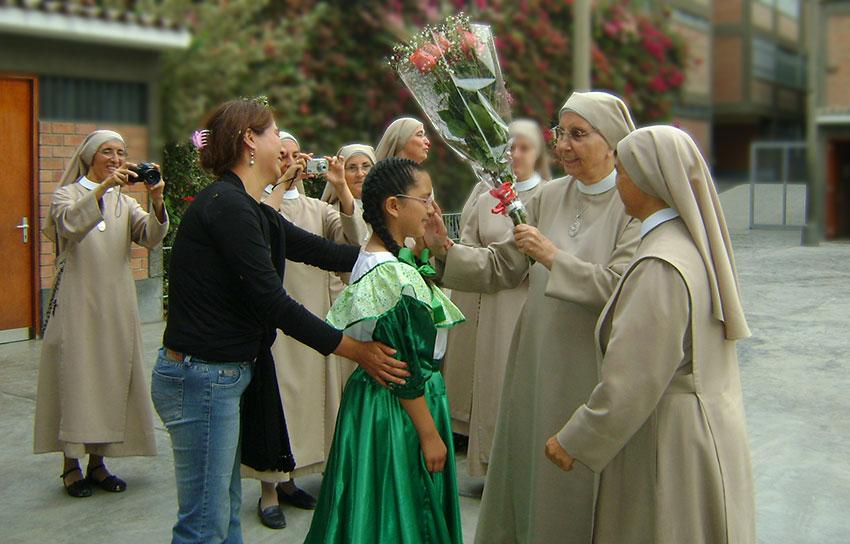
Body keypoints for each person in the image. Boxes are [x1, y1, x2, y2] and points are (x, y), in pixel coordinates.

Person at [152, 98, 409, 544]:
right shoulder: (228, 206)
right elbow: (275, 302)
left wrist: (401, 258)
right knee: (204, 525)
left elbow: (321, 250)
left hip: (218, 376)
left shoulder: (249, 208)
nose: (284, 146)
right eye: (274, 135)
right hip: (202, 377)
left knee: (222, 514)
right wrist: (356, 351)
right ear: (250, 139)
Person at [424, 91, 641, 543]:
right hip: (536, 360)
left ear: (614, 142)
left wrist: (553, 256)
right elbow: (503, 265)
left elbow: (622, 289)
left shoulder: (634, 203)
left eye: (578, 135)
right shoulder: (550, 195)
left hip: (588, 365)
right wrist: (445, 250)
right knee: (530, 475)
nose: (563, 146)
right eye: (561, 133)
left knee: (575, 484)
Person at [547, 125, 756, 543]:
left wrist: (576, 439)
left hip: (670, 444)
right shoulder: (687, 243)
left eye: (622, 172)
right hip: (703, 433)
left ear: (647, 181)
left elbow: (634, 379)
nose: (617, 182)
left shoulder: (660, 263)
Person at [305, 158, 466, 544]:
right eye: (425, 199)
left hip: (374, 403)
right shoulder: (392, 274)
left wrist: (428, 249)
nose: (432, 208)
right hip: (401, 410)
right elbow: (403, 364)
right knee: (404, 509)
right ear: (394, 206)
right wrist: (429, 433)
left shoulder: (379, 257)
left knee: (370, 506)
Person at [34, 129, 168, 498]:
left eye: (120, 152)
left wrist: (156, 200)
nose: (114, 157)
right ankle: (70, 466)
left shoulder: (125, 203)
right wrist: (102, 187)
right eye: (106, 151)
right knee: (76, 380)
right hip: (77, 304)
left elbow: (151, 236)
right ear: (90, 156)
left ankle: (98, 463)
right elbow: (69, 225)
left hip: (116, 307)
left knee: (109, 380)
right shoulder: (68, 194)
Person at [243, 131, 367, 530]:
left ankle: (292, 480)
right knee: (275, 402)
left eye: (298, 156)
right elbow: (260, 232)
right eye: (283, 156)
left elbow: (355, 238)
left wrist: (342, 187)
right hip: (274, 319)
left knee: (308, 403)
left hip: (312, 317)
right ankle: (268, 489)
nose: (293, 163)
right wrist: (279, 185)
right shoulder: (255, 203)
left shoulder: (318, 208)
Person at [441, 118, 551, 477]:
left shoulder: (548, 196)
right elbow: (469, 239)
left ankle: (520, 468)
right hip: (487, 299)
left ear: (538, 153)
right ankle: (490, 464)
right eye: (510, 148)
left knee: (517, 384)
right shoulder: (487, 193)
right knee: (489, 384)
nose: (515, 155)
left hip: (524, 301)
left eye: (524, 148)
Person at [322, 143, 376, 301]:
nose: (360, 174)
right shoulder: (330, 212)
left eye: (366, 166)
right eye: (352, 168)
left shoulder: (389, 210)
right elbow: (357, 237)